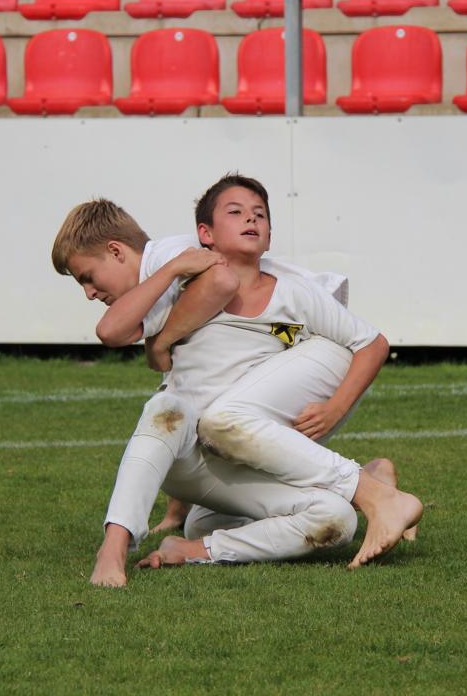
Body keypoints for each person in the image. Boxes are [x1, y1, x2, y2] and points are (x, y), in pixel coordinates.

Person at [51, 176, 423, 587]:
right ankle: (115, 546)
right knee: (171, 412)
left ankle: (196, 550)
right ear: (206, 235)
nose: (88, 292)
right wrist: (175, 512)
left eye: (87, 277)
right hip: (200, 454)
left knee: (334, 519)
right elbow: (191, 379)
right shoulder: (172, 276)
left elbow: (310, 332)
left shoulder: (181, 262)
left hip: (230, 443)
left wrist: (163, 339)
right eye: (237, 213)